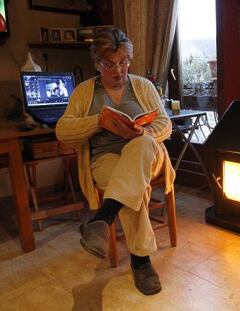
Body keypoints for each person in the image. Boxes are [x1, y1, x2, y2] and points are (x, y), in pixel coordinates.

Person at [55, 27, 175, 295]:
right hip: (105, 159)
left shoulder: (142, 86)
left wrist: (144, 131)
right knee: (132, 187)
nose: (118, 70)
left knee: (141, 144)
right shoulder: (85, 92)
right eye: (109, 64)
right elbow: (63, 130)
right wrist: (97, 121)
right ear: (97, 63)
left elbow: (165, 124)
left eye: (123, 62)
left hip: (147, 155)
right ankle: (140, 262)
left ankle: (103, 218)